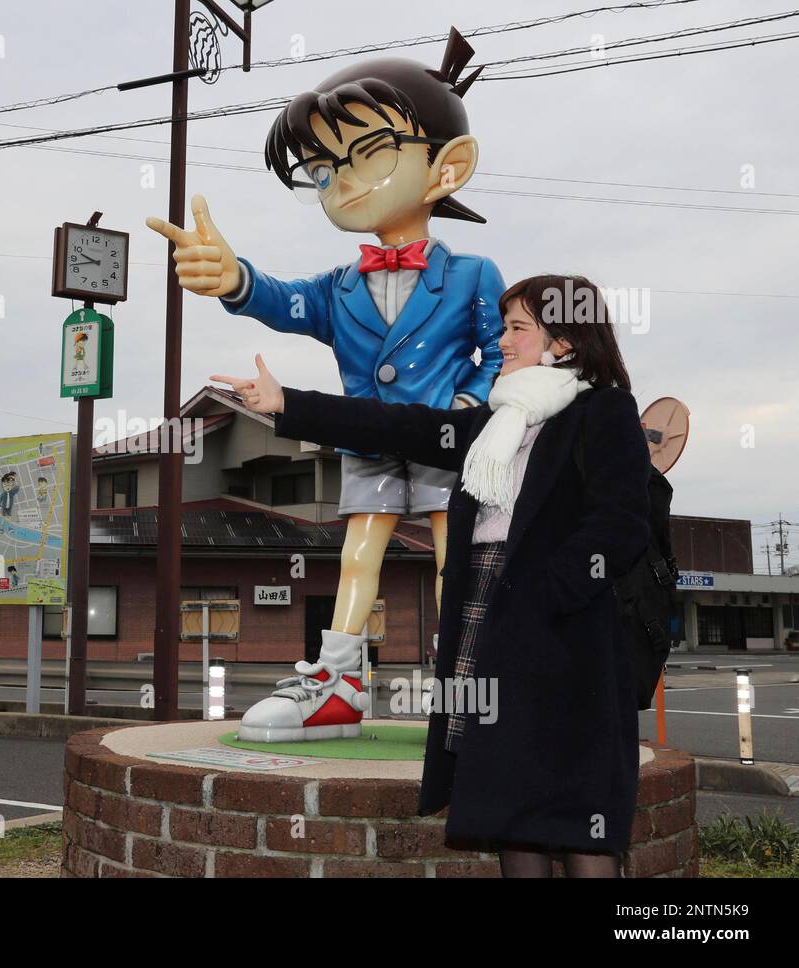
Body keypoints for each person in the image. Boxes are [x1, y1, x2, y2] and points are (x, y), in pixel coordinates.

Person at [211, 274, 650, 877]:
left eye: (518, 327)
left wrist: (545, 595)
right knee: (508, 807)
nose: (502, 340)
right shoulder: (497, 422)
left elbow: (621, 525)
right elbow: (400, 426)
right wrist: (288, 403)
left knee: (577, 812)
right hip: (485, 628)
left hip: (564, 635)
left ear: (566, 341)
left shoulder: (604, 411)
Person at [147, 27, 504, 743]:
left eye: (368, 154)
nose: (338, 180)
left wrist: (469, 405)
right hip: (367, 445)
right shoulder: (339, 286)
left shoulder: (472, 275)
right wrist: (234, 278)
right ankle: (338, 682)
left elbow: (498, 353)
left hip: (442, 441)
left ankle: (468, 680)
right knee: (357, 553)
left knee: (452, 554)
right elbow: (281, 298)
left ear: (448, 167)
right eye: (320, 169)